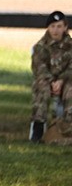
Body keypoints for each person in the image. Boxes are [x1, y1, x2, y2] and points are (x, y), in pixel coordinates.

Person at [30, 10, 71, 142]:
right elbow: (39, 67)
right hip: (47, 80)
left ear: (65, 27)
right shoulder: (40, 46)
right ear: (48, 28)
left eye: (59, 26)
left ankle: (67, 126)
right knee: (41, 87)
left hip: (66, 80)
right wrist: (53, 82)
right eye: (52, 26)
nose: (55, 30)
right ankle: (38, 128)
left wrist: (61, 80)